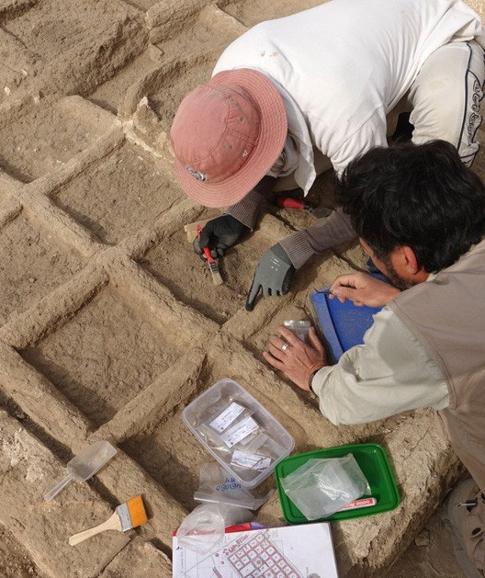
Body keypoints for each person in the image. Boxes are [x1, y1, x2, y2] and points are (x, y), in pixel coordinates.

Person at [169, 0, 484, 310]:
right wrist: (240, 210)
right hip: (365, 65)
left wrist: (302, 245)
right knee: (295, 174)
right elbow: (253, 147)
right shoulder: (229, 72)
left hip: (439, 34)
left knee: (434, 184)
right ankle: (393, 122)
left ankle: (409, 120)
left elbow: (370, 206)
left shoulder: (340, 115)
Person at [263, 140, 485, 576]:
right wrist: (413, 291)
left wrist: (313, 375)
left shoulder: (416, 332)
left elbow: (347, 402)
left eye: (372, 254)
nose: (369, 260)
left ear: (406, 257)